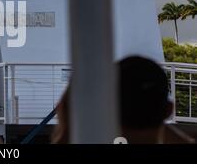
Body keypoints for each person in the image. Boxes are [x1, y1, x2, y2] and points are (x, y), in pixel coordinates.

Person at [52, 56, 194, 144]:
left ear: (107, 110)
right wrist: (151, 114)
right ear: (168, 110)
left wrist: (66, 131)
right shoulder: (162, 113)